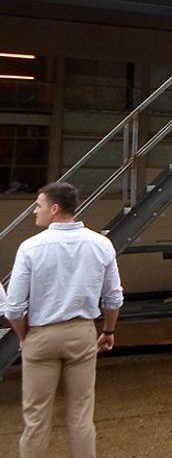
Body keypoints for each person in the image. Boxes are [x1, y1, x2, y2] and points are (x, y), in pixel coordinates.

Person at [5, 182, 124, 458]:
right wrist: (108, 330)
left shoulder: (30, 247)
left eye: (39, 205)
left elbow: (14, 307)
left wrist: (26, 337)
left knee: (35, 419)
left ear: (54, 208)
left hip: (40, 332)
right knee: (82, 415)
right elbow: (113, 298)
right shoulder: (100, 244)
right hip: (82, 333)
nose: (35, 211)